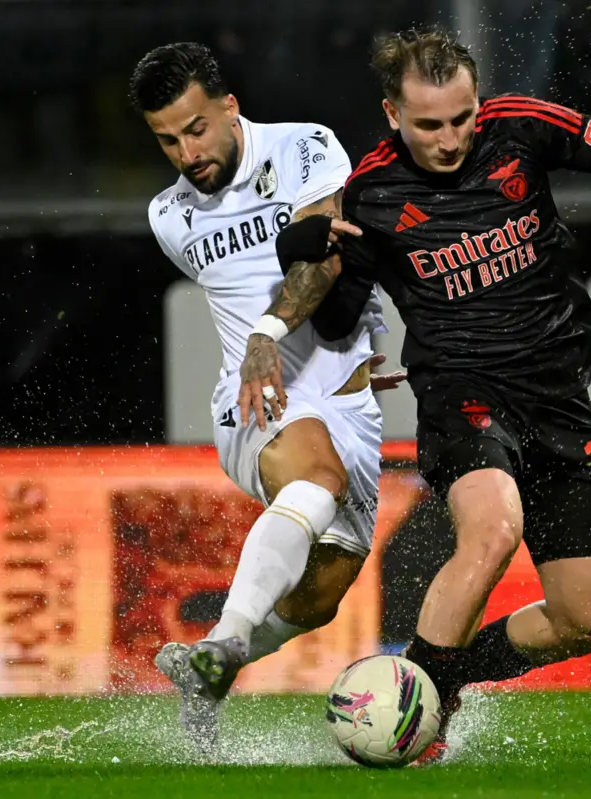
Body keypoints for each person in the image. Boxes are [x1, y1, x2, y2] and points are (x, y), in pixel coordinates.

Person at [236, 27, 591, 763]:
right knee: (492, 529)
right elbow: (339, 319)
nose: (450, 139)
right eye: (428, 125)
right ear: (393, 115)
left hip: (558, 396)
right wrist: (307, 253)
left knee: (586, 618)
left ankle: (433, 681)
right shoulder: (374, 194)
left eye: (461, 118)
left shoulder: (524, 126)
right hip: (460, 389)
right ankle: (404, 714)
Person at [128, 42, 404, 755]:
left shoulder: (304, 148)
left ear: (229, 106)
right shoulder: (170, 217)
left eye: (195, 129)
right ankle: (225, 635)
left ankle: (208, 667)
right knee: (317, 478)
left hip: (346, 400)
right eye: (167, 140)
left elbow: (323, 254)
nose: (187, 152)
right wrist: (264, 342)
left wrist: (341, 353)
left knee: (319, 597)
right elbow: (278, 285)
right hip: (254, 395)